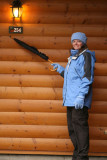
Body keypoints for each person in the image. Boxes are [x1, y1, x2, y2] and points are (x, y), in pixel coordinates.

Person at [51, 32, 96, 160]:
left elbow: (87, 77)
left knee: (80, 130)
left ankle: (82, 157)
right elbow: (72, 78)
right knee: (73, 130)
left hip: (78, 101)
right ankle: (77, 156)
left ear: (83, 42)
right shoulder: (74, 57)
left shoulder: (86, 56)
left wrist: (81, 96)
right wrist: (61, 70)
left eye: (78, 41)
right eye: (73, 41)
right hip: (70, 100)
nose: (76, 43)